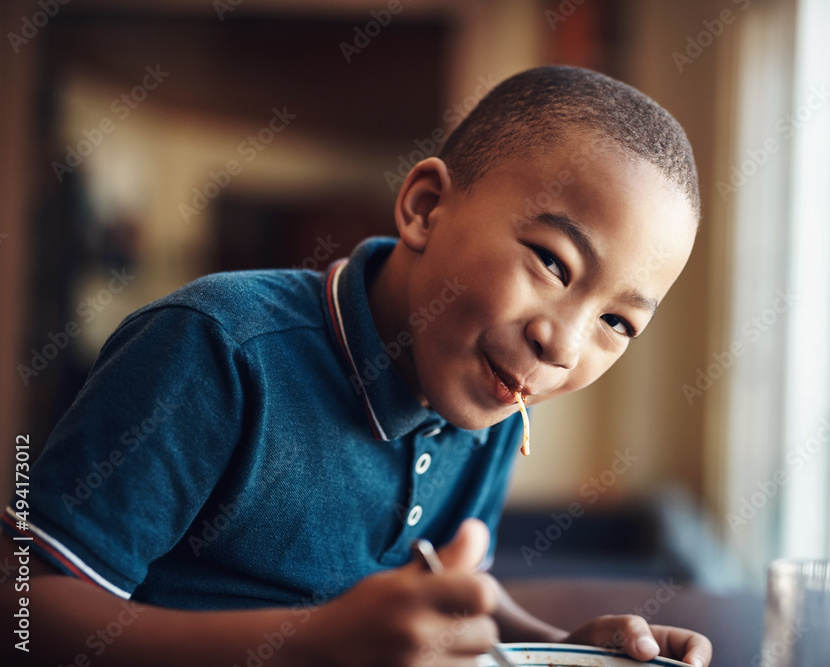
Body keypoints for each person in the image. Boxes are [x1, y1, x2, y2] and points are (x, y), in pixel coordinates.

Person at [1, 65, 710, 667]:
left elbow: (436, 601)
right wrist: (308, 644)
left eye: (617, 322)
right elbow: (21, 611)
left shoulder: (492, 403)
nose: (563, 344)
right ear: (426, 208)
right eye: (554, 262)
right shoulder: (218, 348)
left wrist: (562, 646)